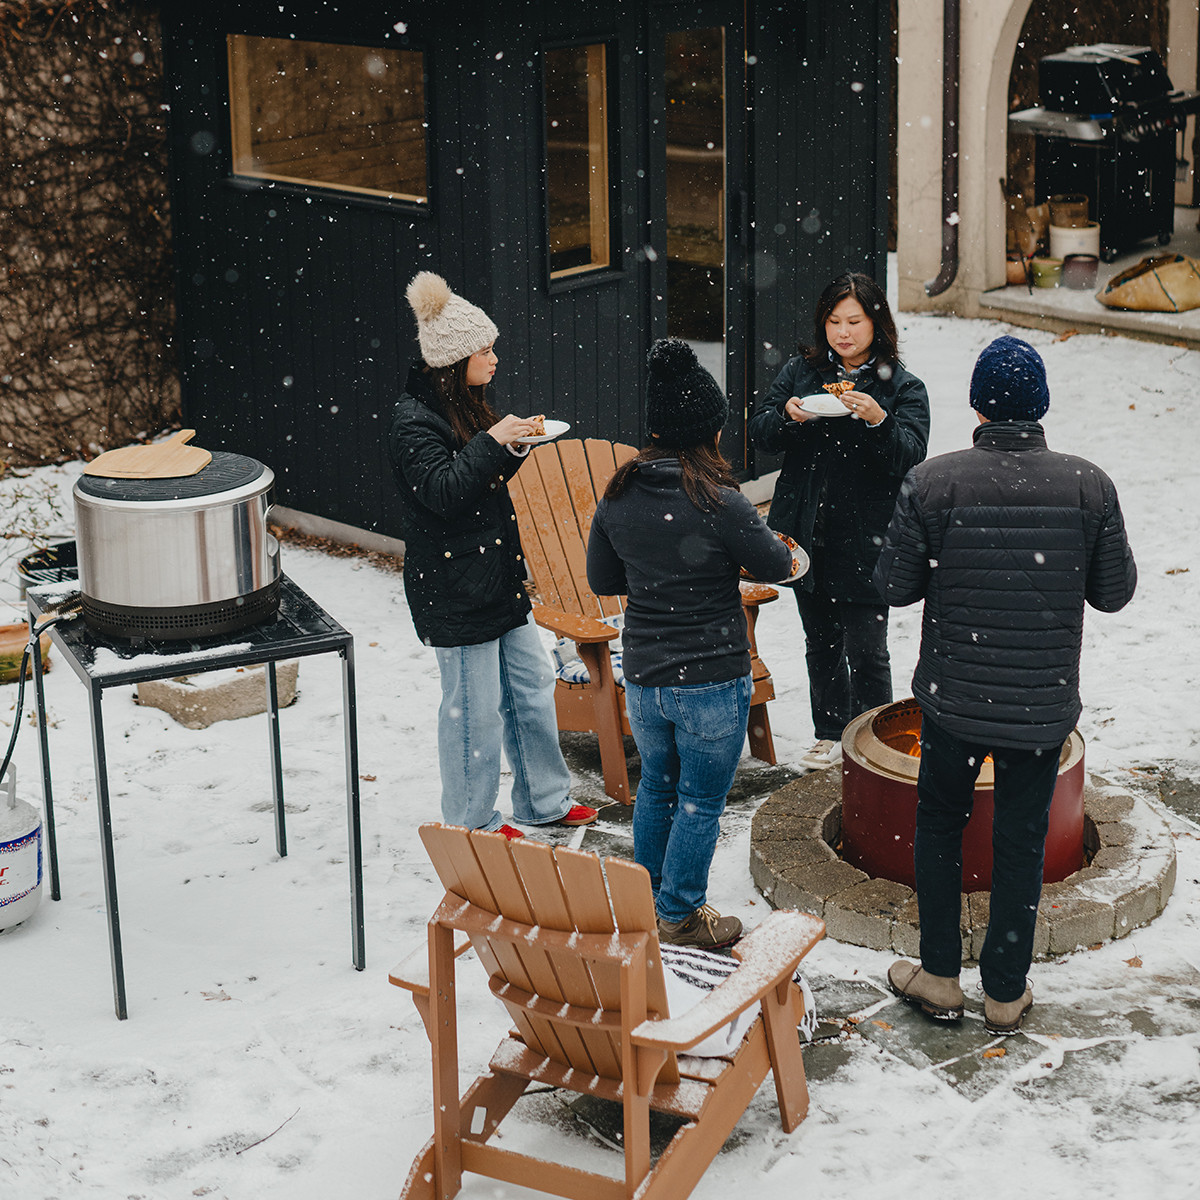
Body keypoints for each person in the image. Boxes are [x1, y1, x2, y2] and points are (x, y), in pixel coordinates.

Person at [874, 335, 1136, 1035]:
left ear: (977, 405)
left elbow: (893, 588)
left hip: (955, 702)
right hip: (1040, 706)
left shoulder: (933, 482)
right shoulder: (1089, 485)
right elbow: (1114, 594)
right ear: (1041, 406)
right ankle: (1005, 990)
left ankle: (938, 973)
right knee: (1021, 840)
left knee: (939, 827)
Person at [586, 339, 799, 948]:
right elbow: (775, 565)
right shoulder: (720, 500)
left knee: (655, 784)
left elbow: (604, 580)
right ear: (708, 429)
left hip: (646, 676)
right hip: (709, 678)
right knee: (702, 801)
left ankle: (645, 898)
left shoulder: (619, 495)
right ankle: (678, 913)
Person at [388, 271, 597, 839]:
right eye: (484, 349)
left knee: (529, 692)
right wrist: (493, 443)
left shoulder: (468, 406)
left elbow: (480, 482)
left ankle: (543, 801)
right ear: (454, 360)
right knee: (471, 717)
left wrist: (514, 444)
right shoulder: (413, 423)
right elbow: (443, 493)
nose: (494, 357)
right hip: (454, 591)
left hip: (499, 580)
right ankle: (472, 823)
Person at [747, 273, 930, 769]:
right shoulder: (801, 373)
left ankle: (876, 737)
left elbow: (911, 456)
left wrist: (877, 419)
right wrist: (790, 416)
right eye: (834, 321)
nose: (843, 332)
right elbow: (760, 432)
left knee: (868, 648)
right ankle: (829, 731)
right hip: (806, 532)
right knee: (820, 641)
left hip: (869, 538)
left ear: (877, 323)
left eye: (854, 321)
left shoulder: (902, 387)